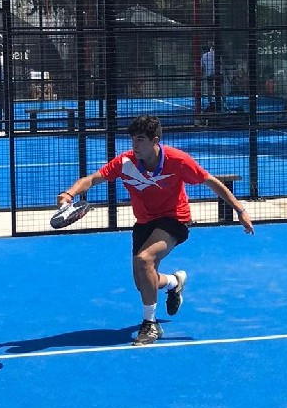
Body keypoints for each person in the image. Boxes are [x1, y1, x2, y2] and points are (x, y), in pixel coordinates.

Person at [57, 115, 254, 346]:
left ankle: (150, 324)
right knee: (143, 284)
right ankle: (174, 282)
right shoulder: (125, 162)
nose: (135, 145)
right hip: (144, 222)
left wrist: (240, 210)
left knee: (145, 259)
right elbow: (92, 179)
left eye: (140, 139)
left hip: (174, 219)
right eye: (133, 139)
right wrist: (69, 194)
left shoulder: (178, 160)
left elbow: (210, 181)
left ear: (155, 140)